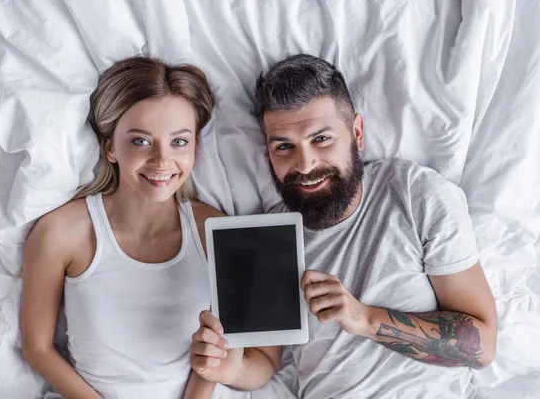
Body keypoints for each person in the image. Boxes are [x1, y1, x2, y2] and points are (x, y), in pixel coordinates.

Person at [193, 54, 498, 398]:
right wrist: (228, 369)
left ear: (356, 132)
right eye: (284, 147)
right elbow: (264, 363)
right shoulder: (269, 236)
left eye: (321, 139)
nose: (305, 164)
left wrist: (365, 319)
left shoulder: (417, 196)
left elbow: (482, 345)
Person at [21, 56, 223, 398]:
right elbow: (37, 347)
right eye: (140, 141)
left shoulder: (216, 231)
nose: (162, 161)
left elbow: (218, 350)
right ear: (110, 146)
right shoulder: (61, 232)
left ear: (195, 148)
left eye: (179, 142)